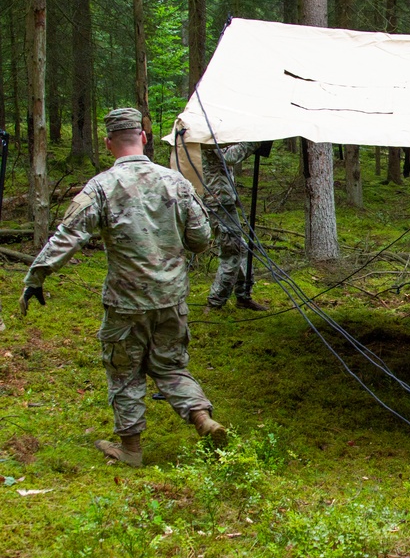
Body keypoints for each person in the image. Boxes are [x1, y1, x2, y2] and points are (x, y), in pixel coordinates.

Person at [20, 108, 227, 467]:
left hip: (126, 304)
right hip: (171, 299)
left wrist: (36, 277)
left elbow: (68, 236)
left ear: (107, 143)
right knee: (171, 366)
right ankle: (202, 418)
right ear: (144, 137)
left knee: (124, 372)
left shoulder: (101, 186)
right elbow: (201, 239)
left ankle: (131, 450)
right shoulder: (176, 183)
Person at [201, 141, 268, 312]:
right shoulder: (209, 131)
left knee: (242, 249)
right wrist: (255, 141)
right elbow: (230, 156)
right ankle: (215, 302)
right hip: (216, 201)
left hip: (224, 200)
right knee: (233, 251)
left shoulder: (216, 128)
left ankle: (243, 296)